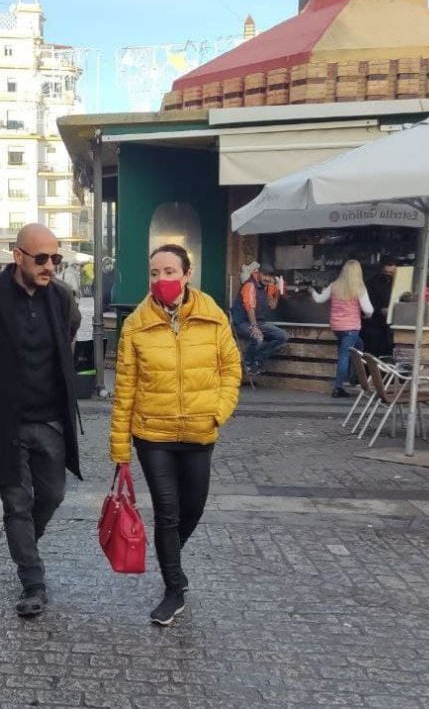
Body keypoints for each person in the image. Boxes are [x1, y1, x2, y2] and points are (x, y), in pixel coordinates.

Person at [0, 223, 82, 618]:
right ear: (18, 256)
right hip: (3, 422)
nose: (49, 266)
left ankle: (25, 542)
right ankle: (33, 581)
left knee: (53, 495)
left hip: (50, 420)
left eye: (55, 258)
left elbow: (70, 335)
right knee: (17, 504)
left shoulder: (60, 298)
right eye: (41, 258)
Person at [110, 245, 241, 626]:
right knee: (167, 512)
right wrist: (120, 449)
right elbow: (125, 389)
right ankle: (173, 589)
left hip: (200, 432)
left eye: (169, 272)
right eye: (154, 273)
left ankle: (172, 562)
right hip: (153, 434)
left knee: (193, 508)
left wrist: (218, 411)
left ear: (187, 274)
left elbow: (231, 369)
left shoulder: (212, 316)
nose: (161, 279)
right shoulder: (136, 324)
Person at [311, 260, 373, 398]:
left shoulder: (334, 285)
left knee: (358, 345)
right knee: (344, 355)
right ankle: (339, 387)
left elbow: (319, 299)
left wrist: (312, 291)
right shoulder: (359, 288)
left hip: (337, 327)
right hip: (351, 327)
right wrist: (368, 315)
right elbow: (368, 309)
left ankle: (354, 376)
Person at [231, 262, 288, 375]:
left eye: (270, 276)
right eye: (265, 275)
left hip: (258, 322)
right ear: (259, 273)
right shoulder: (250, 285)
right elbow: (250, 308)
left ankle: (257, 361)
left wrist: (277, 291)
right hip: (242, 322)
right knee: (258, 337)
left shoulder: (268, 286)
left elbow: (272, 305)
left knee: (282, 336)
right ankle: (247, 364)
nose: (267, 278)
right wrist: (254, 326)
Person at [362, 258, 396, 357]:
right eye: (386, 272)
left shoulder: (398, 284)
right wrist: (380, 310)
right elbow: (367, 304)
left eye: (391, 273)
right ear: (381, 270)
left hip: (391, 326)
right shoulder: (371, 283)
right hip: (374, 325)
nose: (388, 275)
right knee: (373, 354)